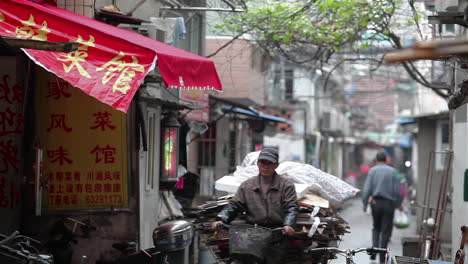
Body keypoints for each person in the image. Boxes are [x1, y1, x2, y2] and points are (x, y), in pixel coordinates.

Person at [211, 148, 299, 263]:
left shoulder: (286, 185)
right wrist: (221, 219)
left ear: (276, 165)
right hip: (252, 232)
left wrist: (289, 225)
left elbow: (291, 207)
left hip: (276, 233)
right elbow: (234, 205)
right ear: (258, 163)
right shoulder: (247, 185)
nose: (265, 166)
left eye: (270, 163)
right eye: (263, 162)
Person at [362, 152, 402, 263]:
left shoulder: (372, 171)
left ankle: (374, 252)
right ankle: (382, 258)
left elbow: (367, 189)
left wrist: (365, 203)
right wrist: (398, 203)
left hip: (376, 203)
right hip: (389, 204)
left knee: (376, 228)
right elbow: (398, 191)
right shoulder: (393, 171)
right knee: (385, 231)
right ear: (386, 160)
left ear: (376, 160)